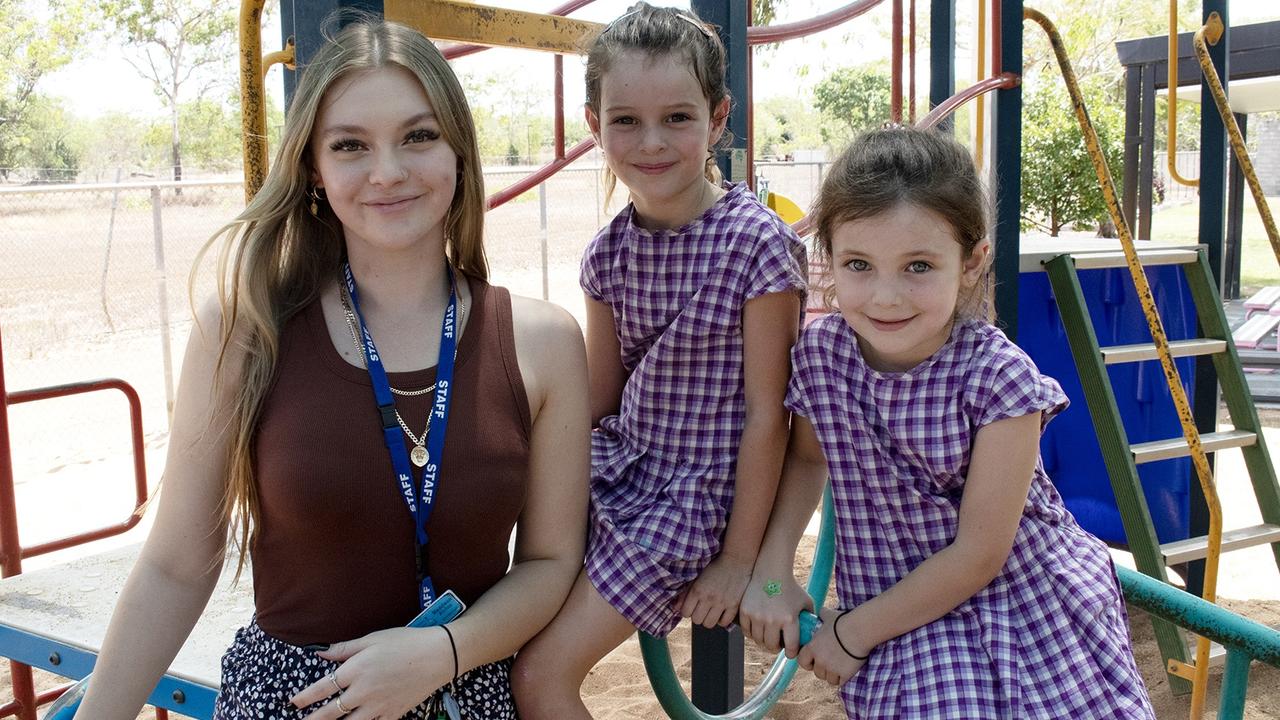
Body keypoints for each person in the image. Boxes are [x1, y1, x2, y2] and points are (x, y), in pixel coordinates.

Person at [76, 18, 589, 720]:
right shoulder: (244, 331)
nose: (388, 171)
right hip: (291, 701)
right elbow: (175, 566)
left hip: (466, 694)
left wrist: (444, 651)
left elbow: (549, 562)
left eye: (419, 135)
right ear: (313, 169)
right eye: (351, 146)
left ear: (459, 153)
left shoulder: (544, 342)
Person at [739, 126, 1156, 719]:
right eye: (859, 264)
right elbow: (807, 459)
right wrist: (774, 573)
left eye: (917, 266)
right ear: (827, 257)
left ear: (971, 261)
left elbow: (981, 553)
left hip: (1019, 603)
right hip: (895, 596)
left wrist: (854, 633)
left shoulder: (999, 379)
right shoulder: (822, 355)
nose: (885, 297)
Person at [511, 4, 807, 717]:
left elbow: (771, 416)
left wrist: (741, 561)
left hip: (695, 499)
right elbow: (602, 401)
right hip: (621, 467)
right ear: (593, 126)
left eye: (677, 117)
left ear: (718, 117)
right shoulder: (608, 255)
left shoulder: (755, 245)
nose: (651, 142)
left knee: (540, 678)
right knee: (503, 619)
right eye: (625, 121)